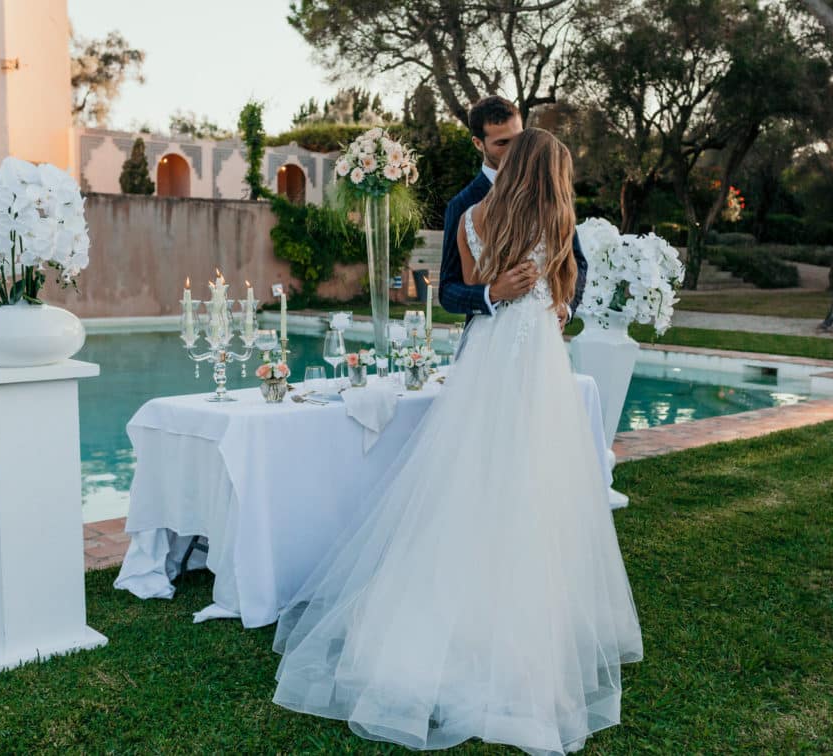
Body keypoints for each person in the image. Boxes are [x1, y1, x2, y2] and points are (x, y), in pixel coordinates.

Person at [271, 128, 642, 756]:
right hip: (526, 365)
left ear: (511, 162)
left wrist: (529, 304)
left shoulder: (476, 216)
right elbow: (501, 291)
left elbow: (520, 291)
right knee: (522, 481)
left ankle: (467, 612)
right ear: (550, 173)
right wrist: (508, 299)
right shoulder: (549, 219)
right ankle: (511, 625)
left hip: (495, 360)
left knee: (478, 479)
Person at [439, 96, 588, 330]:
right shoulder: (463, 204)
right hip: (487, 337)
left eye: (518, 140)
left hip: (540, 332)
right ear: (479, 143)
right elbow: (448, 291)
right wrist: (493, 293)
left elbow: (576, 260)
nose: (514, 150)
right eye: (502, 143)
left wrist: (565, 308)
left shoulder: (548, 195)